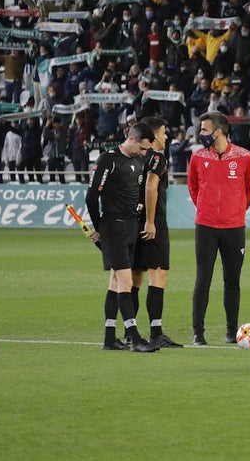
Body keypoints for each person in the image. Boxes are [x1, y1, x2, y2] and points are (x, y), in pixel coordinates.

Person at [85, 122, 158, 352]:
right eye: (143, 148)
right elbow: (91, 196)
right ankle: (135, 338)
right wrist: (99, 227)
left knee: (116, 282)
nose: (144, 153)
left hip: (130, 226)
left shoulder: (138, 161)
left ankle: (109, 339)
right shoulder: (108, 160)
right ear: (132, 138)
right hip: (113, 227)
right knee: (126, 283)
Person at [188, 110, 250, 346]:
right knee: (203, 279)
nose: (201, 133)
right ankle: (198, 333)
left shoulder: (244, 157)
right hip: (205, 226)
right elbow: (193, 188)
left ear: (218, 131)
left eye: (205, 129)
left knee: (232, 280)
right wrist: (205, 209)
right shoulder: (197, 157)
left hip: (234, 227)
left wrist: (236, 211)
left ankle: (231, 332)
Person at [129, 116, 181, 348]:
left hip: (132, 221)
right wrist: (150, 222)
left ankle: (129, 331)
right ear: (152, 135)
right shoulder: (157, 158)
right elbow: (151, 186)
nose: (166, 137)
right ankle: (156, 332)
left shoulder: (133, 156)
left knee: (134, 276)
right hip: (153, 222)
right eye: (163, 133)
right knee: (158, 273)